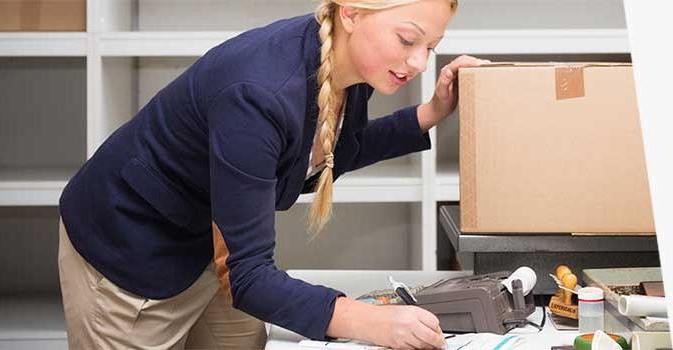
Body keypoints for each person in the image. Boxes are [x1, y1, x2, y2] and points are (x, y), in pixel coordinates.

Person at [57, 0, 487, 348]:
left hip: (212, 239)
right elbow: (250, 278)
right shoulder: (258, 93)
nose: (417, 62)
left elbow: (337, 150)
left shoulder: (346, 64)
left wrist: (432, 112)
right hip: (131, 248)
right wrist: (372, 322)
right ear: (351, 13)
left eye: (430, 47)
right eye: (408, 39)